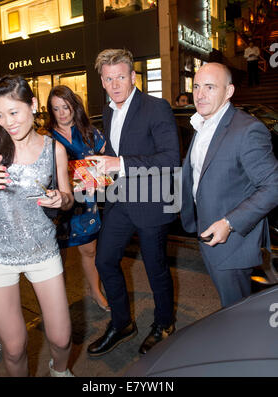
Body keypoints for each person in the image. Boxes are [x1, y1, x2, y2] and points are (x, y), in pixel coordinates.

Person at [0, 75, 75, 377]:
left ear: (32, 105)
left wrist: (61, 199)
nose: (7, 122)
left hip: (42, 249)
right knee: (15, 347)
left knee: (61, 337)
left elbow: (69, 198)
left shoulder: (53, 149)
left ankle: (60, 372)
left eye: (14, 112)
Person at [86, 48, 180, 356]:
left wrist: (119, 164)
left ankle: (164, 324)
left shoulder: (157, 107)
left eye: (121, 77)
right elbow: (116, 152)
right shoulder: (108, 110)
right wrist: (98, 172)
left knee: (155, 269)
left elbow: (170, 159)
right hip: (119, 199)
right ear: (102, 80)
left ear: (133, 77)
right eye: (109, 78)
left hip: (152, 200)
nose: (115, 84)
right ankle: (123, 322)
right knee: (104, 260)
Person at [180, 62, 278, 307]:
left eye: (210, 87)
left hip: (232, 243)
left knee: (236, 315)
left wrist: (229, 223)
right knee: (230, 310)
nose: (200, 95)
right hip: (207, 233)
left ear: (229, 91)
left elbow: (273, 186)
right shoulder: (202, 123)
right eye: (197, 86)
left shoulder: (247, 130)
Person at [46, 85, 109, 311]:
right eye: (56, 109)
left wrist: (98, 172)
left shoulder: (89, 132)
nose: (62, 113)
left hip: (85, 202)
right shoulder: (45, 138)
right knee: (56, 257)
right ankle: (57, 302)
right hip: (57, 205)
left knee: (89, 250)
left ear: (74, 106)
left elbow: (106, 161)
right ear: (50, 111)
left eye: (66, 107)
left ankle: (95, 291)